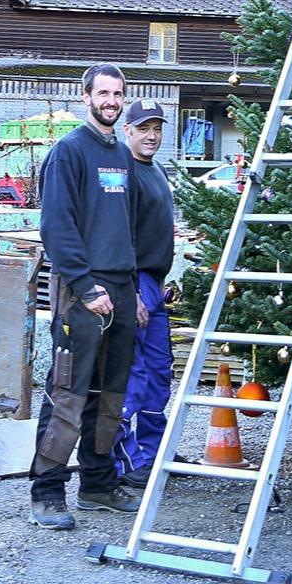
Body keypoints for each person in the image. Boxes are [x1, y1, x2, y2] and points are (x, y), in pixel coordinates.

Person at [28, 64, 141, 529]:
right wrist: (87, 286)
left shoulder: (124, 156)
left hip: (120, 289)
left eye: (117, 94)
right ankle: (47, 492)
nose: (111, 101)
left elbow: (125, 227)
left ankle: (97, 485)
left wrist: (130, 289)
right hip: (82, 292)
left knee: (110, 394)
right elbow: (57, 228)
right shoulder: (68, 153)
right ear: (86, 96)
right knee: (68, 393)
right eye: (103, 93)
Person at [114, 100, 175, 489]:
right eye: (143, 128)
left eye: (157, 128)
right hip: (133, 282)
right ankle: (123, 457)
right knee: (133, 371)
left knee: (159, 370)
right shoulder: (124, 171)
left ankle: (152, 452)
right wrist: (131, 289)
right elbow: (118, 234)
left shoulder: (158, 170)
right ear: (128, 132)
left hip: (154, 281)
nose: (151, 135)